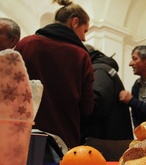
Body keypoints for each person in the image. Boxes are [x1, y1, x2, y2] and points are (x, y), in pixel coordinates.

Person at [15, 0, 94, 149]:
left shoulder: (26, 44)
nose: (84, 38)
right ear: (75, 22)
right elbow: (87, 108)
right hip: (63, 142)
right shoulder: (82, 56)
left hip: (21, 137)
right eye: (85, 31)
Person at [81, 45, 134, 143]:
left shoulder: (100, 70)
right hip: (110, 141)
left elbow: (96, 105)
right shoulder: (102, 69)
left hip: (105, 142)